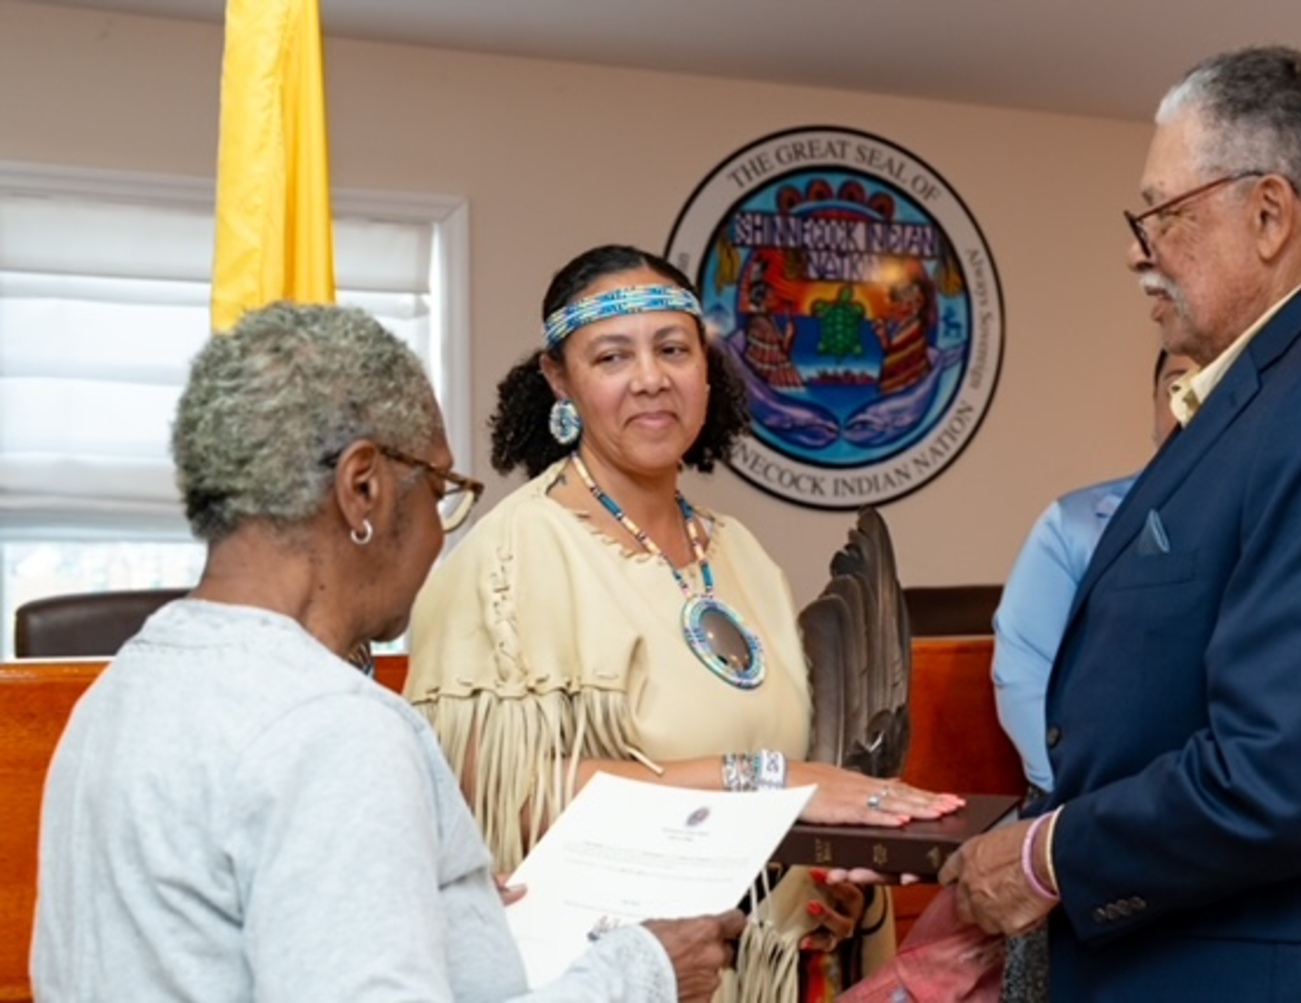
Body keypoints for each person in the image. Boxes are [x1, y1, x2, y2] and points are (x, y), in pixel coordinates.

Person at [941, 45, 1301, 1002]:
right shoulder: (1273, 392)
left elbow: (1275, 778)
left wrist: (1045, 857)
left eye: (1158, 215)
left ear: (1269, 214)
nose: (1135, 249)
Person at [31, 302, 745, 1002]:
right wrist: (641, 970)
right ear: (362, 486)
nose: (441, 533)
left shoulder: (115, 695)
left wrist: (426, 918)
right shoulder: (334, 730)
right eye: (439, 489)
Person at [404, 244, 961, 1002]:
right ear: (559, 379)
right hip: (607, 976)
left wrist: (828, 878)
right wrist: (778, 783)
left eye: (673, 348)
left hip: (763, 973)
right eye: (612, 356)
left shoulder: (740, 554)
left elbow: (802, 771)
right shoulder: (509, 557)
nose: (650, 377)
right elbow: (513, 795)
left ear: (706, 368)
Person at [992, 349, 1192, 798]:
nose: (1191, 402)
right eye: (1176, 386)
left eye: (1213, 384)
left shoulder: (1276, 522)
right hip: (1084, 810)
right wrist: (1095, 810)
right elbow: (1026, 680)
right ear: (1153, 408)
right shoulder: (1073, 526)